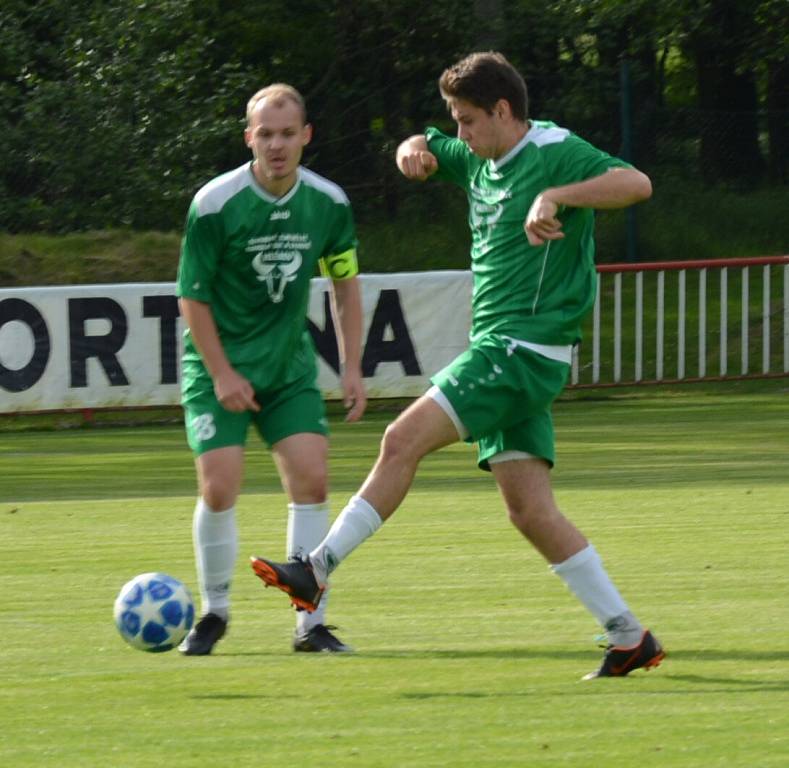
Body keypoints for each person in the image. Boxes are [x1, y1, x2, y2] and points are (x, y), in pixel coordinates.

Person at [250, 52, 665, 679]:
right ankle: (629, 636)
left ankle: (316, 568)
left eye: (468, 120)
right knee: (530, 512)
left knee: (401, 439)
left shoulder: (555, 150)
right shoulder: (477, 154)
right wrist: (412, 147)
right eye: (456, 121)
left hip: (521, 349)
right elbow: (422, 146)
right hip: (509, 351)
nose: (461, 134)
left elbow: (637, 184)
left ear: (503, 112)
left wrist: (557, 195)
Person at [176, 83, 367, 655]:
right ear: (248, 138)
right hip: (218, 364)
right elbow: (192, 297)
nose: (277, 145)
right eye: (266, 134)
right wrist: (221, 374)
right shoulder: (214, 203)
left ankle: (310, 624)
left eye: (288, 134)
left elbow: (345, 285)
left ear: (306, 136)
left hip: (287, 366)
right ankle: (213, 612)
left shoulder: (328, 203)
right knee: (219, 486)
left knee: (312, 479)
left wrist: (352, 366)